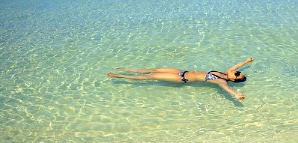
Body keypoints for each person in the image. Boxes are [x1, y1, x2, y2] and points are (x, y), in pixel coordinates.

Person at [107, 57, 254, 101]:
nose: (235, 71)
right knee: (155, 69)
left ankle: (121, 76)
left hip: (182, 80)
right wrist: (246, 62)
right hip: (182, 71)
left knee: (151, 77)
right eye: (237, 72)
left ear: (233, 80)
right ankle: (129, 70)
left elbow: (228, 89)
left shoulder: (222, 81)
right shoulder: (226, 72)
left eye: (236, 74)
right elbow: (236, 65)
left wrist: (237, 95)